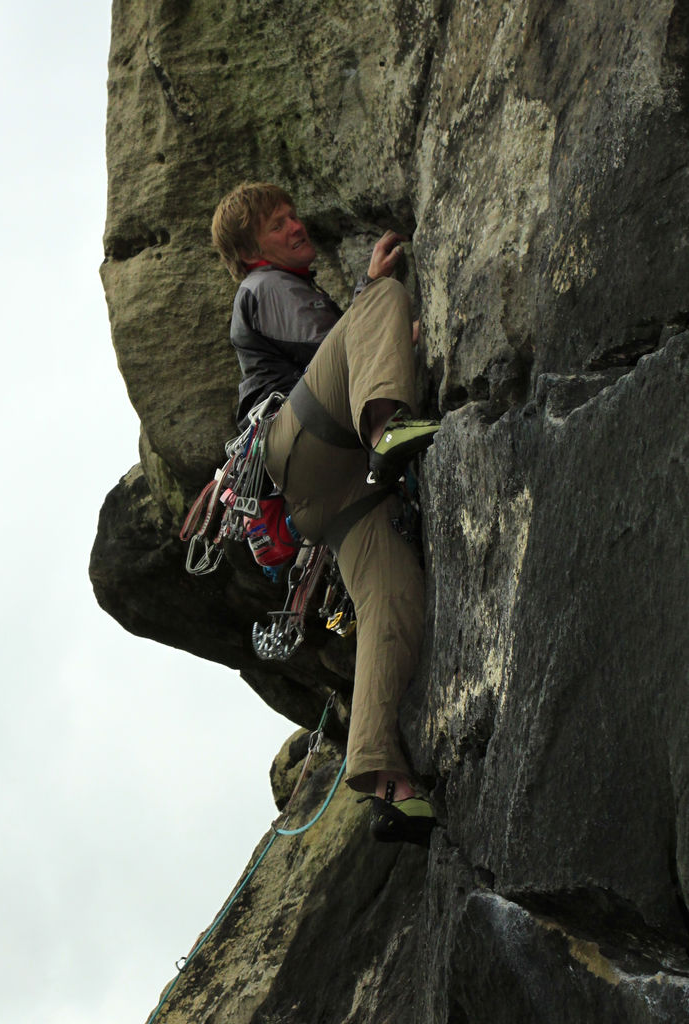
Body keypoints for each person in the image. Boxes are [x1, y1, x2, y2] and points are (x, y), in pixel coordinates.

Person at [211, 182, 440, 845]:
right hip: (303, 442)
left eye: (292, 216)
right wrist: (376, 296)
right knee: (387, 299)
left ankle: (384, 781)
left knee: (392, 602)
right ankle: (387, 426)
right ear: (251, 249)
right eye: (276, 224)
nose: (295, 226)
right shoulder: (263, 288)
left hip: (324, 494)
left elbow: (350, 345)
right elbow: (336, 337)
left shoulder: (274, 290)